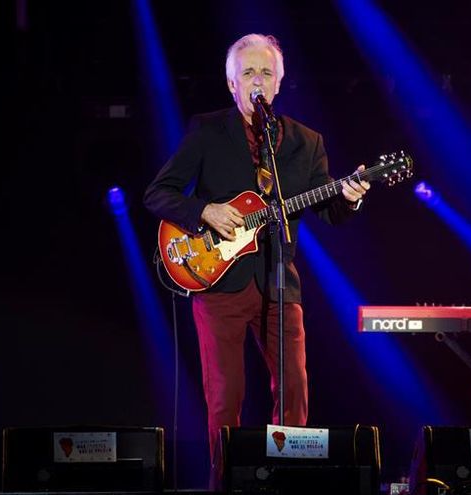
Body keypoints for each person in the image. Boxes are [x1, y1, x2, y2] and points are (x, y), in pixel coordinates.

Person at [143, 33, 370, 486]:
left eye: (266, 72)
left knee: (294, 389)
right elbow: (158, 194)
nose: (257, 81)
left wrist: (351, 197)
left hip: (280, 282)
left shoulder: (307, 142)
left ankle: (290, 478)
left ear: (279, 83)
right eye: (247, 72)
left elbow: (330, 210)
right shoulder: (208, 130)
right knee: (225, 396)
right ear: (231, 84)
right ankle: (224, 481)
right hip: (217, 279)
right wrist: (204, 210)